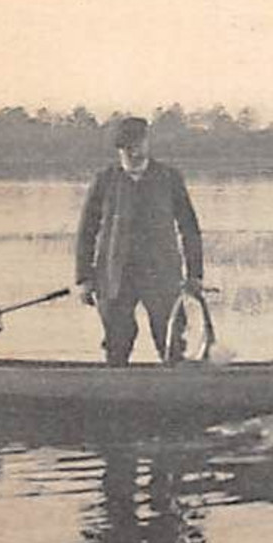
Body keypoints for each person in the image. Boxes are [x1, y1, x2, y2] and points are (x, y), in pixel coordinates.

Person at [75, 116, 204, 365]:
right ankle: (117, 392)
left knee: (171, 342)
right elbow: (86, 233)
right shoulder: (104, 181)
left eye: (139, 143)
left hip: (162, 274)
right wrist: (84, 279)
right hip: (114, 277)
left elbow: (189, 229)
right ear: (119, 149)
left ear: (148, 142)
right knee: (117, 343)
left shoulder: (169, 178)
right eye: (128, 146)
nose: (135, 151)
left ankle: (175, 393)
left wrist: (195, 275)